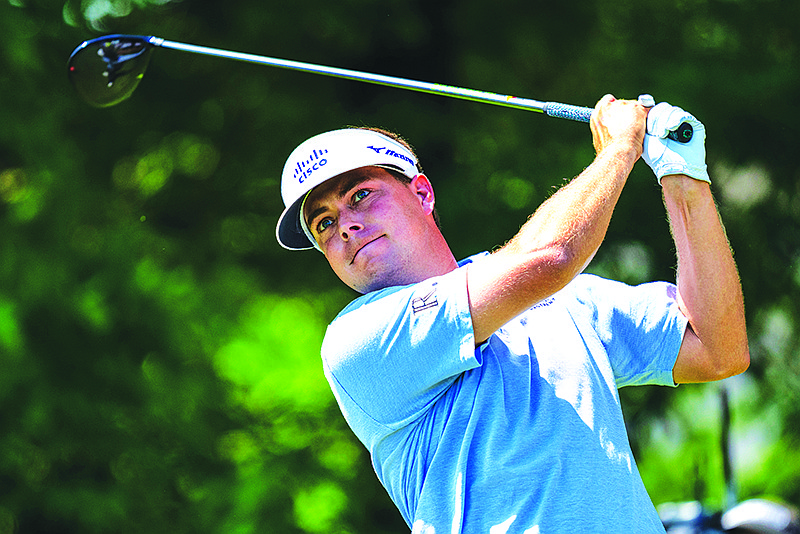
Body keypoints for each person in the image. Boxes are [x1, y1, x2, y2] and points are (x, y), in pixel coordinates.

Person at [275, 95, 749, 533]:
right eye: (324, 222)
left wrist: (682, 177)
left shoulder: (567, 300)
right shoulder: (357, 340)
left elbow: (717, 349)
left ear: (421, 194)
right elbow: (548, 259)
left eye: (360, 195)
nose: (347, 225)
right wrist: (620, 148)